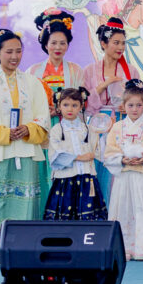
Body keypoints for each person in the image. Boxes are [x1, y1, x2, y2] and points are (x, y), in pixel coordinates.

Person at [0, 29, 50, 261]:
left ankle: (23, 251)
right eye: (9, 51)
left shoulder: (32, 82)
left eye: (18, 51)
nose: (14, 56)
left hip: (24, 153)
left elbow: (43, 118)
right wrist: (4, 133)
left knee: (24, 206)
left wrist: (29, 129)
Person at [103, 80, 143, 261]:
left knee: (141, 209)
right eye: (130, 105)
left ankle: (141, 248)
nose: (135, 109)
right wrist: (121, 159)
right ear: (124, 106)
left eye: (139, 105)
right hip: (124, 176)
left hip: (142, 176)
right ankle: (123, 248)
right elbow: (109, 152)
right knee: (122, 209)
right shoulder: (117, 127)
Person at [29, 8, 86, 195]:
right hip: (43, 125)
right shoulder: (33, 71)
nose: (58, 47)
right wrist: (45, 111)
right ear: (46, 44)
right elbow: (28, 103)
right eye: (53, 42)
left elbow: (81, 101)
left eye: (62, 43)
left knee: (67, 168)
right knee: (43, 170)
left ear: (68, 45)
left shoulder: (76, 70)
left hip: (67, 125)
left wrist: (61, 110)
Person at [82, 17, 139, 203]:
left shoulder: (131, 71)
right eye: (116, 42)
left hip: (123, 122)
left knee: (121, 173)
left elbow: (139, 102)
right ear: (103, 43)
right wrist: (103, 85)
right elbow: (85, 105)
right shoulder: (90, 70)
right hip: (98, 125)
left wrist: (129, 106)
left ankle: (119, 218)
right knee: (98, 170)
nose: (120, 47)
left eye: (123, 43)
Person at [43, 87, 106, 222]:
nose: (70, 109)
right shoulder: (56, 130)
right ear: (59, 107)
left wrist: (99, 146)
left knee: (88, 216)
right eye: (65, 105)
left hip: (87, 179)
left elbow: (99, 151)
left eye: (74, 105)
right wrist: (79, 157)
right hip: (65, 180)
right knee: (65, 215)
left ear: (81, 107)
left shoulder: (89, 129)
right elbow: (55, 155)